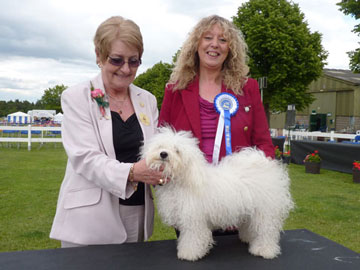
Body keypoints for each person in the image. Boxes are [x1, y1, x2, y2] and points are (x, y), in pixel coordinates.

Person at [50, 16, 165, 247]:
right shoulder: (76, 97)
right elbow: (85, 158)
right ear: (99, 56)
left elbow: (156, 152)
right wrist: (132, 172)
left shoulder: (148, 100)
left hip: (137, 213)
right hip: (88, 219)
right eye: (117, 60)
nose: (126, 69)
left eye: (134, 61)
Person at [159, 15, 275, 235]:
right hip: (190, 199)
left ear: (230, 49)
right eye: (208, 37)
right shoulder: (175, 89)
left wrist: (265, 181)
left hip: (237, 198)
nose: (214, 44)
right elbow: (161, 139)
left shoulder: (247, 88)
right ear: (196, 44)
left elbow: (263, 141)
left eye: (222, 40)